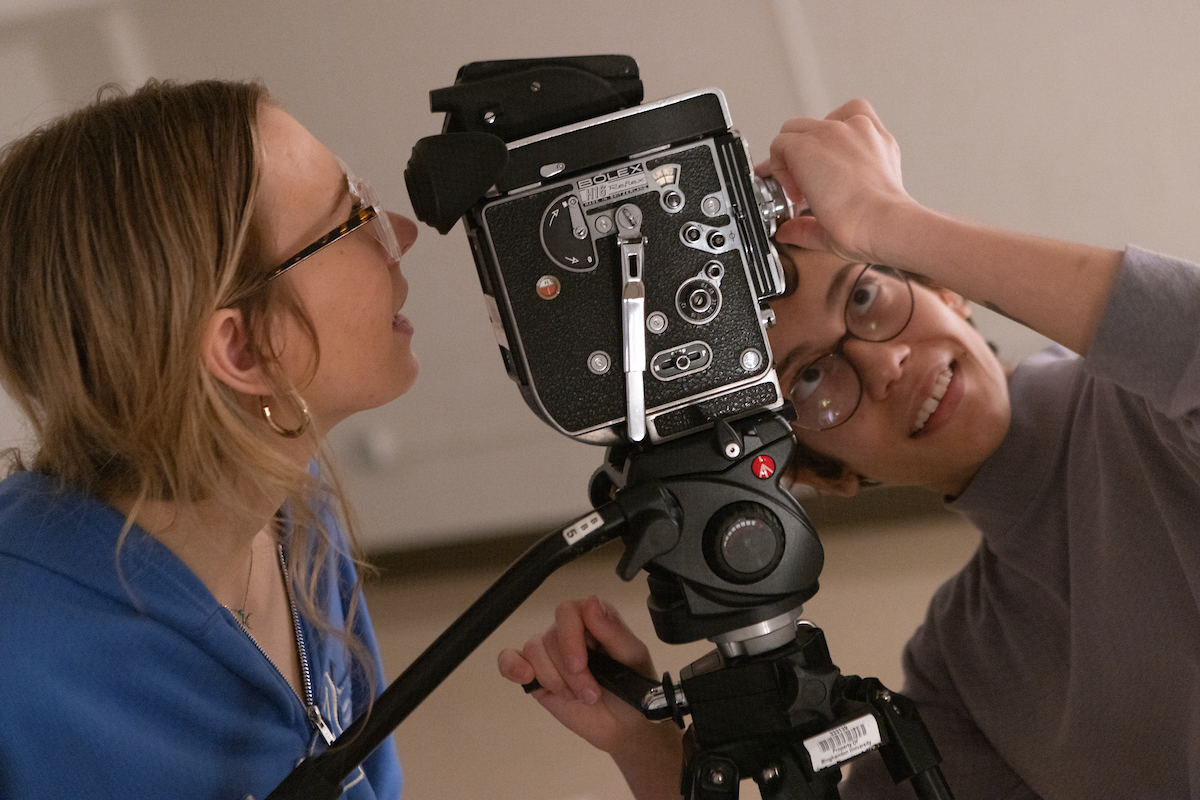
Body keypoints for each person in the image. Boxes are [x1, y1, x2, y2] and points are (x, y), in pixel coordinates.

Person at [498, 99, 1200, 799]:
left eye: (865, 295)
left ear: (945, 287)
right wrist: (651, 756)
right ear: (821, 474)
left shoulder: (1156, 409)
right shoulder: (966, 666)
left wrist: (889, 221)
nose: (884, 363)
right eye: (812, 378)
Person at [0, 80, 418, 799]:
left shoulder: (293, 513)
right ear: (244, 348)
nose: (402, 232)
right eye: (352, 220)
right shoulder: (20, 668)